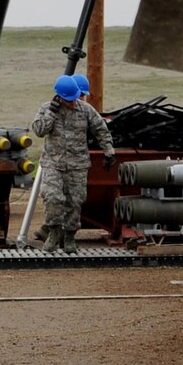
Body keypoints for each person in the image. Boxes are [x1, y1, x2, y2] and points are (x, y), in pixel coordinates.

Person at [30, 74, 113, 253]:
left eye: (76, 98)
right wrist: (51, 113)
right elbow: (39, 131)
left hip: (78, 164)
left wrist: (108, 150)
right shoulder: (46, 109)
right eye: (69, 100)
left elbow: (101, 128)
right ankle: (52, 234)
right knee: (52, 198)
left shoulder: (85, 109)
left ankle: (69, 237)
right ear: (59, 97)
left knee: (75, 201)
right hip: (53, 163)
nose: (74, 102)